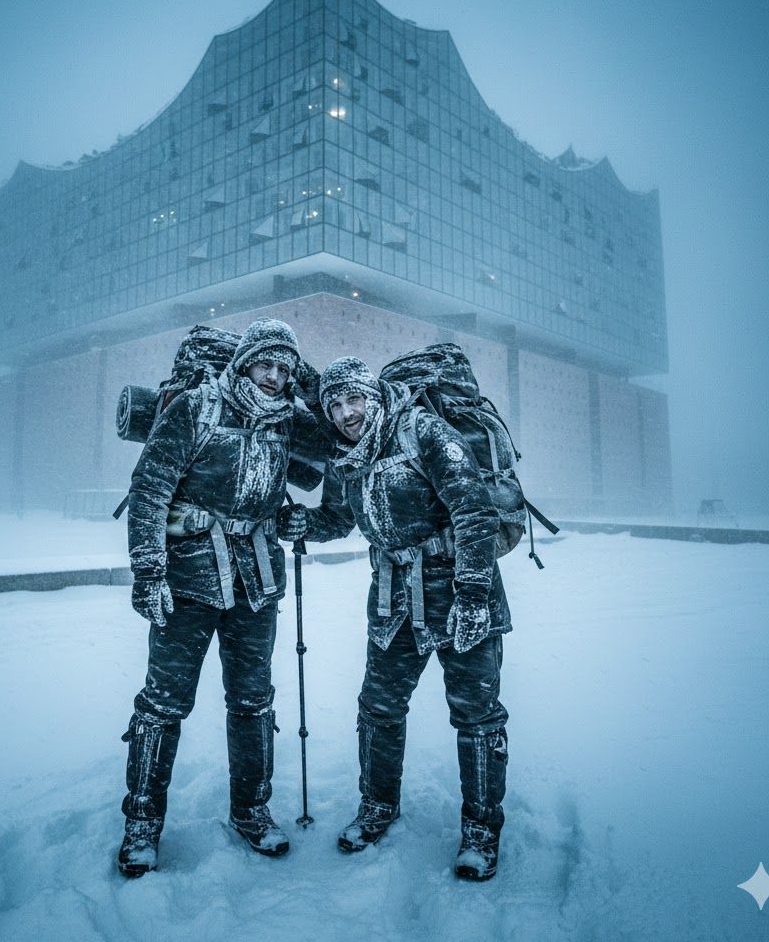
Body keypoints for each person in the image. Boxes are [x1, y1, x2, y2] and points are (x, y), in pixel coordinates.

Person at [277, 356, 511, 880]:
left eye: (353, 399)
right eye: (334, 404)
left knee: (476, 715)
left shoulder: (424, 430)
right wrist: (304, 521)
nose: (344, 413)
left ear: (374, 395)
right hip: (392, 598)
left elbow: (473, 509)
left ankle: (480, 831)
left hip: (457, 588)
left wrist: (473, 592)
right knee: (379, 707)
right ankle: (378, 806)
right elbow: (340, 518)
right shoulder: (345, 455)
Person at [119, 318, 308, 877]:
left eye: (283, 368)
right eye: (265, 363)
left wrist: (299, 517)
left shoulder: (287, 423)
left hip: (257, 584)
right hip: (187, 582)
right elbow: (149, 488)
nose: (273, 376)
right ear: (244, 360)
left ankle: (251, 810)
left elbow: (336, 457)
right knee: (163, 704)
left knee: (253, 701)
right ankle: (142, 823)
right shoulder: (196, 407)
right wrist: (148, 572)